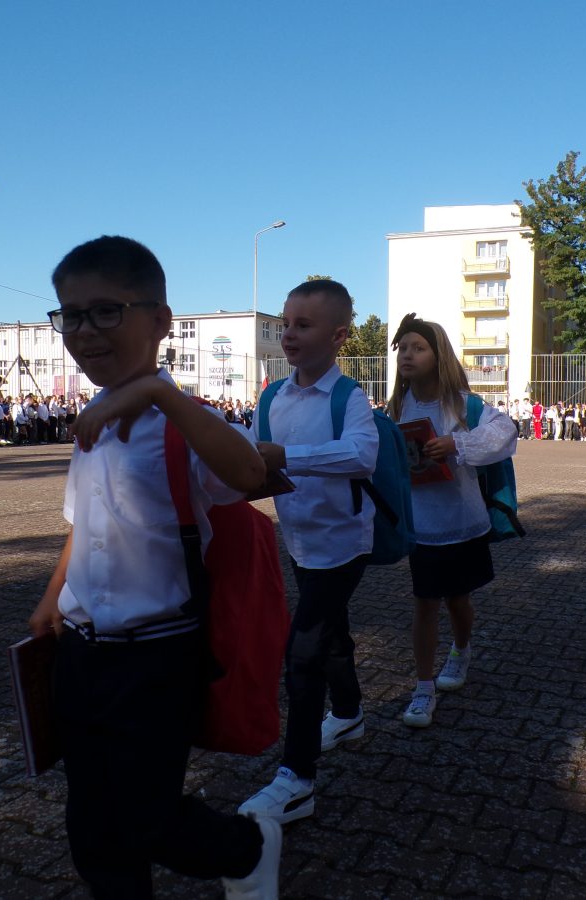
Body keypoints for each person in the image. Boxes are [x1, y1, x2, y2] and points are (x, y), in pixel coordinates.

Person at [28, 235, 280, 898]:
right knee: (91, 820)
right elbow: (83, 523)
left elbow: (249, 474)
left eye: (106, 311)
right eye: (70, 315)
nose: (85, 331)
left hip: (158, 654)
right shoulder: (91, 422)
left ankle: (250, 849)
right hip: (82, 650)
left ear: (161, 321)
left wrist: (160, 397)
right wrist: (53, 596)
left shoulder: (187, 424)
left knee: (147, 814)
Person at [239, 278, 378, 827]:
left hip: (345, 542)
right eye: (285, 323)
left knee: (303, 650)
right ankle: (348, 712)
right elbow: (252, 453)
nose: (289, 334)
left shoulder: (349, 397)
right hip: (299, 538)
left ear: (339, 336)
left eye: (303, 325)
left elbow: (362, 456)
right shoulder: (271, 396)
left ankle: (296, 779)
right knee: (331, 633)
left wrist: (286, 456)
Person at [387, 314, 516, 728]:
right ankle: (423, 689)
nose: (407, 355)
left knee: (458, 600)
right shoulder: (395, 408)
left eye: (418, 347)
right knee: (424, 603)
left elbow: (505, 432)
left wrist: (456, 443)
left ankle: (461, 650)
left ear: (438, 354)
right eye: (403, 348)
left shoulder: (464, 405)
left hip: (462, 521)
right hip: (421, 525)